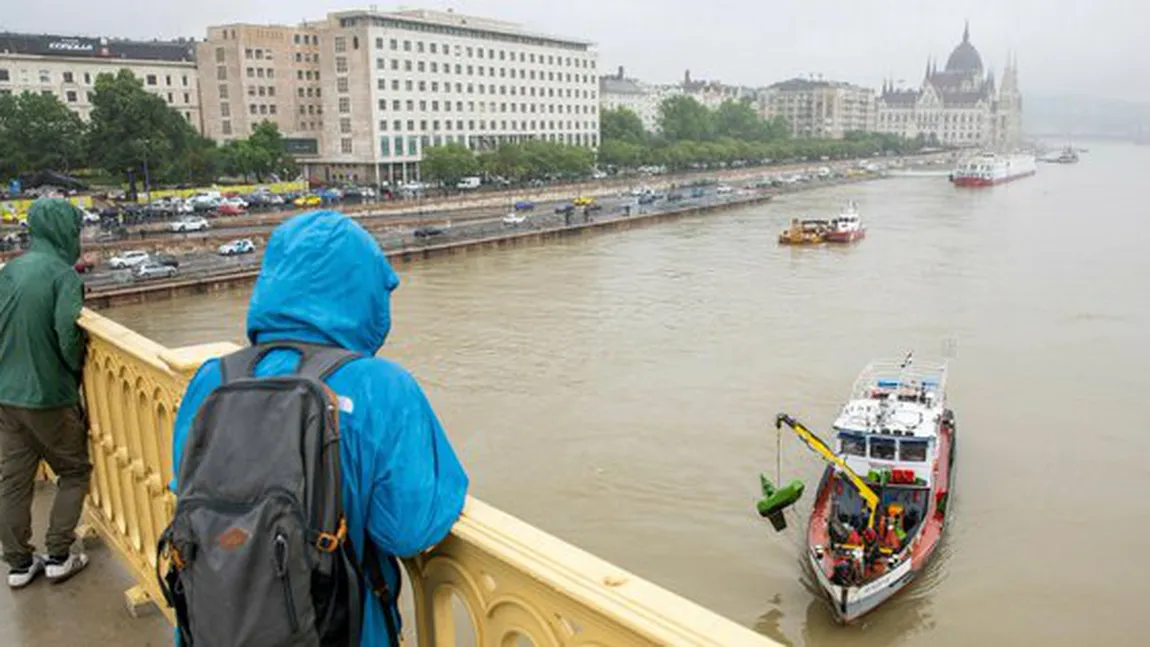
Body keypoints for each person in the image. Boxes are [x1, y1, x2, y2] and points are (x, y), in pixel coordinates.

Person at [170, 210, 468, 646]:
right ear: (365, 290)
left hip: (213, 625)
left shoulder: (213, 379)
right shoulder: (379, 385)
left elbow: (187, 492)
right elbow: (410, 529)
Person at [0, 198, 91, 588]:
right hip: (48, 396)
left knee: (12, 482)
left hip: (6, 395)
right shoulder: (62, 275)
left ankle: (19, 564)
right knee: (73, 472)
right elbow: (67, 333)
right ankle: (58, 554)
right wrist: (73, 373)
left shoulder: (10, 270)